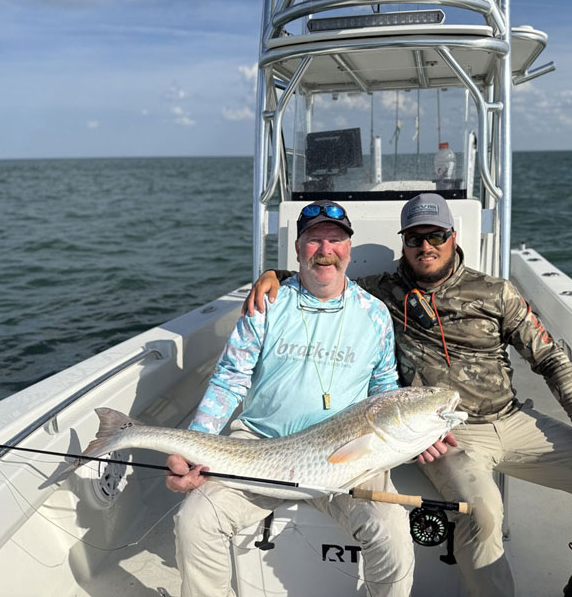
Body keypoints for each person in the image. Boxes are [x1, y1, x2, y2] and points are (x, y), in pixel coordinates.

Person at [246, 193, 572, 597]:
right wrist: (273, 275)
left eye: (436, 235)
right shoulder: (382, 292)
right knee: (483, 513)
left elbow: (550, 360)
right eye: (414, 238)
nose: (426, 247)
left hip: (513, 419)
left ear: (453, 236)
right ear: (403, 242)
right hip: (443, 434)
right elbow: (323, 274)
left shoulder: (496, 293)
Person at [166, 200, 418, 597]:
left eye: (335, 240)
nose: (325, 250)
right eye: (314, 240)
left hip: (348, 454)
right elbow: (230, 378)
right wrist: (198, 443)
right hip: (259, 448)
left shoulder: (374, 314)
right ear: (298, 249)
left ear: (348, 249)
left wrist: (408, 436)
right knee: (196, 520)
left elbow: (384, 386)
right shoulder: (267, 302)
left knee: (392, 532)